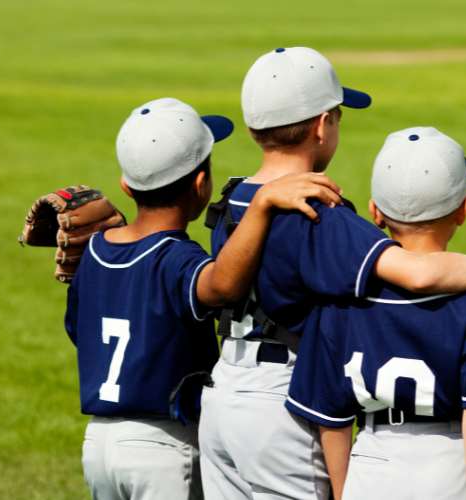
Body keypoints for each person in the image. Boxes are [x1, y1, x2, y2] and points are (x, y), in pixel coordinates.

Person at [198, 47, 466, 500]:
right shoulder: (320, 215)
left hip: (222, 396)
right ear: (322, 125)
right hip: (282, 402)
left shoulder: (234, 201)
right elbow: (415, 273)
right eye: (337, 116)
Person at [64, 96, 342, 499]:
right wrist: (261, 204)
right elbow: (221, 285)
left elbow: (80, 331)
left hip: (98, 447)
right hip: (162, 448)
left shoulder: (94, 252)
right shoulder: (177, 257)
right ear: (201, 183)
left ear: (126, 186)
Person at [288, 127, 466, 500]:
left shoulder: (341, 300)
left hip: (373, 460)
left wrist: (345, 492)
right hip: (448, 464)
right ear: (463, 210)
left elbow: (332, 419)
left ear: (375, 212)